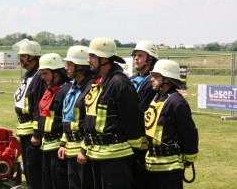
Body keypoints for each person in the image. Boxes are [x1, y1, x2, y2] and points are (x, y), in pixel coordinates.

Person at [77, 37, 144, 189]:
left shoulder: (119, 83)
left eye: (93, 56)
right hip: (96, 153)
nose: (89, 60)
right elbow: (90, 119)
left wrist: (132, 151)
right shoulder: (97, 81)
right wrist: (85, 146)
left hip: (115, 156)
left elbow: (132, 119)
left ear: (105, 58)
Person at [144, 59, 199, 189]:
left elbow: (189, 132)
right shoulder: (157, 97)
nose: (152, 79)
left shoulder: (177, 102)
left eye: (156, 76)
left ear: (167, 79)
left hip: (170, 168)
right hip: (152, 165)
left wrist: (190, 158)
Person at [57, 45, 94, 189]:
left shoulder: (90, 88)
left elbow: (90, 123)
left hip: (83, 150)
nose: (66, 67)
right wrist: (63, 143)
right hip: (71, 148)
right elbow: (68, 118)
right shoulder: (74, 86)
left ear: (80, 66)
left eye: (70, 64)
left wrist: (84, 149)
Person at [33, 53, 71, 189]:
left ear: (57, 73)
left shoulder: (66, 90)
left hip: (58, 147)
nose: (43, 78)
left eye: (46, 74)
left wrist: (63, 143)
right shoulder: (49, 90)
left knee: (58, 184)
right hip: (47, 145)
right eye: (41, 74)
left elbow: (67, 121)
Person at [14, 40, 45, 189]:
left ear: (33, 57)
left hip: (32, 129)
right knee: (27, 167)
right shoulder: (28, 75)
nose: (20, 59)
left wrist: (36, 133)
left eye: (23, 56)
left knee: (33, 169)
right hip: (24, 128)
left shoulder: (39, 76)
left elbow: (40, 106)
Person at [130, 40, 159, 189]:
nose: (136, 58)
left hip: (144, 142)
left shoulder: (152, 82)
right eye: (135, 55)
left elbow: (138, 109)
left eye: (140, 55)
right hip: (130, 140)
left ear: (150, 59)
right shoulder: (132, 79)